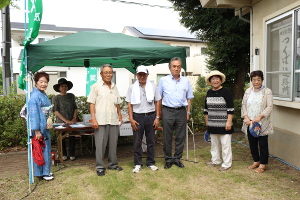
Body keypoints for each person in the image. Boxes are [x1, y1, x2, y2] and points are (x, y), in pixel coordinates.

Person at [87, 64, 123, 176]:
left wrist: (120, 115)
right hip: (100, 120)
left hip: (113, 120)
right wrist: (93, 119)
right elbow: (92, 104)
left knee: (113, 144)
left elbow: (117, 103)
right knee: (100, 145)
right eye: (106, 72)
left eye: (110, 72)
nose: (108, 74)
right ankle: (100, 167)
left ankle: (113, 164)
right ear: (101, 74)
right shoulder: (96, 86)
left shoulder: (114, 86)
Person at [158, 57, 194, 169]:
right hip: (167, 110)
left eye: (178, 66)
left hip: (181, 111)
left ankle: (177, 158)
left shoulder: (186, 81)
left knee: (180, 136)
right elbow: (158, 99)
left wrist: (188, 112)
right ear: (170, 68)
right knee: (167, 137)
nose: (176, 68)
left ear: (181, 68)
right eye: (174, 66)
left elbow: (189, 98)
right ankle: (168, 159)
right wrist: (159, 114)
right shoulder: (163, 81)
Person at [126, 66, 161, 173]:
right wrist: (131, 119)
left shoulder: (153, 86)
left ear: (147, 74)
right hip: (138, 117)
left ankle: (150, 162)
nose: (141, 76)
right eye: (139, 74)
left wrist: (157, 117)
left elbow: (158, 101)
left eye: (143, 74)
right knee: (137, 141)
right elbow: (129, 104)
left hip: (150, 115)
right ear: (136, 75)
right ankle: (137, 163)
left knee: (151, 141)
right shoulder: (132, 87)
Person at [241, 70, 273, 173]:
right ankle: (256, 161)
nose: (256, 82)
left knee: (263, 144)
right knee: (252, 143)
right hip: (250, 123)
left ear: (262, 80)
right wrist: (246, 117)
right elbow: (244, 105)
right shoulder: (248, 91)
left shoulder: (267, 91)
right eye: (254, 80)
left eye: (258, 79)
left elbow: (269, 107)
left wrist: (260, 117)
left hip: (262, 123)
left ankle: (263, 164)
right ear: (251, 81)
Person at [204, 70, 234, 172]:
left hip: (224, 124)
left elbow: (230, 109)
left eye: (217, 78)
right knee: (214, 145)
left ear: (221, 80)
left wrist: (229, 121)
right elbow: (206, 109)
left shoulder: (226, 92)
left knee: (226, 145)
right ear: (210, 81)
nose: (215, 80)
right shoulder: (209, 92)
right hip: (212, 124)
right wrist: (207, 123)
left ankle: (227, 164)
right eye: (213, 79)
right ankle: (215, 160)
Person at [28, 72, 54, 181]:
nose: (43, 84)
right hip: (39, 127)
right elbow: (33, 114)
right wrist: (37, 131)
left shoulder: (43, 94)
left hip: (45, 125)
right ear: (36, 82)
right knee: (40, 149)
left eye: (45, 82)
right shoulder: (35, 96)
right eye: (41, 82)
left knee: (45, 149)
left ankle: (44, 171)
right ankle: (42, 173)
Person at [52, 78, 78, 161]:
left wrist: (74, 118)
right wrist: (66, 121)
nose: (64, 88)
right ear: (59, 88)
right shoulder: (55, 98)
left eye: (65, 86)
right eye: (62, 86)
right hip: (60, 122)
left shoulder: (71, 96)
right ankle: (63, 154)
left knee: (72, 137)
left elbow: (75, 108)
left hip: (72, 120)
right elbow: (55, 111)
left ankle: (72, 154)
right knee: (61, 138)